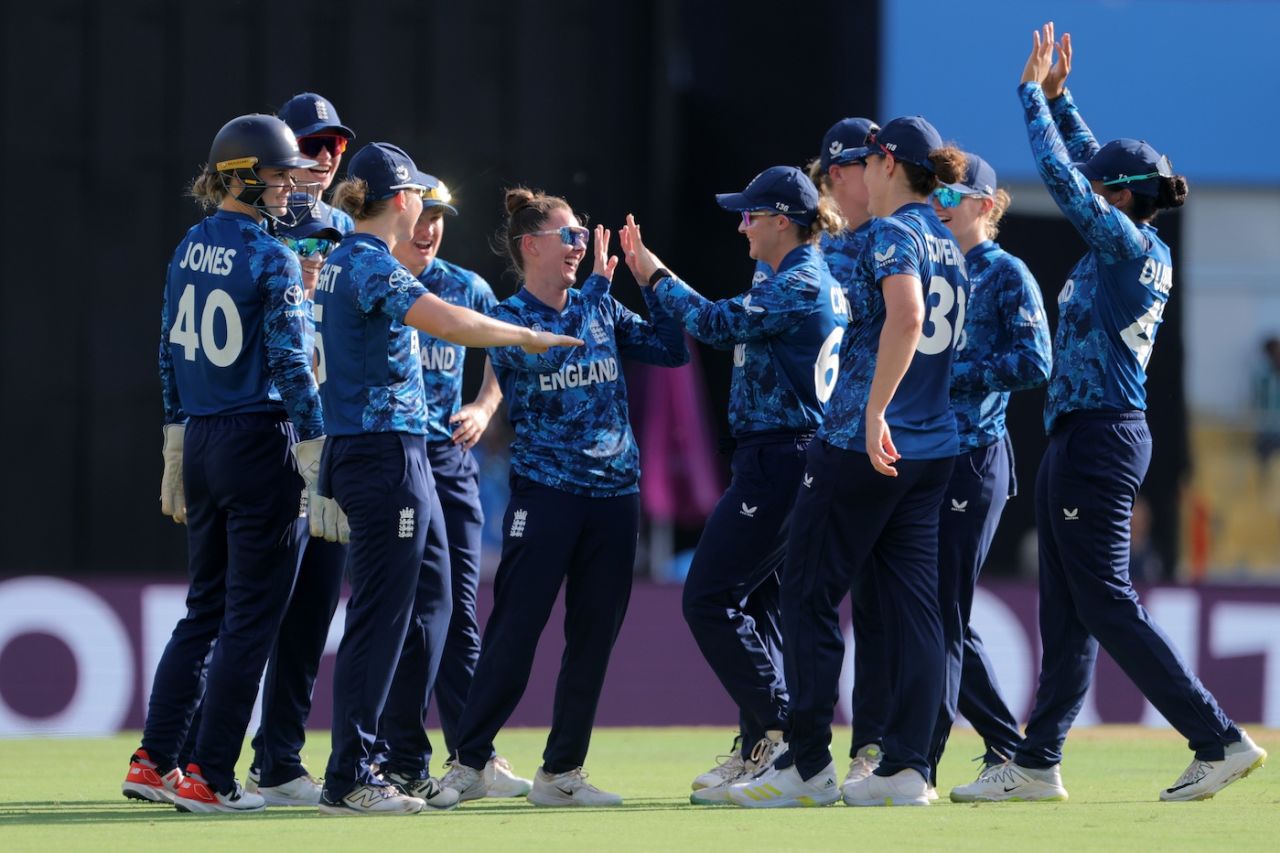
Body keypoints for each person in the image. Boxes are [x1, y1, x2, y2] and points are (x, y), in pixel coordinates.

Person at [954, 23, 1266, 803]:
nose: (1093, 193)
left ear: (1121, 198)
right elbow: (1096, 164)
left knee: (1102, 597)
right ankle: (1038, 761)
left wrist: (1029, 99)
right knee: (1067, 609)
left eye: (1106, 189)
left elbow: (1068, 180)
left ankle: (1217, 737)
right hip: (1085, 432)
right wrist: (1063, 101)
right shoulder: (1133, 235)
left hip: (1101, 434)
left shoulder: (1127, 247)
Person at [314, 145, 583, 816]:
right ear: (402, 200)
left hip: (394, 450)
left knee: (431, 603)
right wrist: (526, 337)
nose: (428, 217)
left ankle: (405, 763)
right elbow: (447, 321)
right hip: (384, 452)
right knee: (384, 613)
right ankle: (351, 774)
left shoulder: (351, 258)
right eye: (420, 201)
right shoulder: (368, 261)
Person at [730, 115, 968, 808]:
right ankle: (908, 767)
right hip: (932, 448)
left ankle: (806, 765)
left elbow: (908, 317)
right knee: (915, 611)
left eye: (867, 159)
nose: (857, 171)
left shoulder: (895, 233)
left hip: (864, 443)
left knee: (807, 593)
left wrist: (874, 412)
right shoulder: (948, 240)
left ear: (888, 163)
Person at [438, 187, 688, 807]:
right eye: (568, 236)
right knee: (516, 629)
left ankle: (562, 771)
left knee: (593, 636)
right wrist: (600, 289)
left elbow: (672, 348)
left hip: (614, 496)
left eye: (582, 235)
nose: (580, 246)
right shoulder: (507, 319)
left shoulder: (599, 304)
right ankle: (469, 762)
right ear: (530, 246)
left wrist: (648, 278)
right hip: (546, 494)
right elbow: (551, 350)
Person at [616, 165, 847, 804]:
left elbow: (716, 325)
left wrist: (653, 276)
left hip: (783, 458)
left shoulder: (800, 280)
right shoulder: (788, 276)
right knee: (759, 605)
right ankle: (760, 745)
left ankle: (786, 734)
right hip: (778, 456)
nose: (741, 226)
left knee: (708, 597)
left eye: (750, 215)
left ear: (782, 222)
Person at [125, 114, 324, 814]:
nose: (289, 185)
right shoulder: (272, 256)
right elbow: (292, 365)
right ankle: (210, 774)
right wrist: (317, 448)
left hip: (203, 438)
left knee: (203, 609)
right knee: (250, 618)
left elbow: (167, 349)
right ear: (241, 177)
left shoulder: (189, 244)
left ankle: (155, 759)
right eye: (277, 174)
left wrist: (174, 436)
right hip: (259, 440)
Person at [381, 176, 532, 797]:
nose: (429, 229)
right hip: (392, 459)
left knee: (458, 611)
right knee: (403, 610)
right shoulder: (371, 279)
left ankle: (474, 757)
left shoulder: (465, 286)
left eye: (439, 217)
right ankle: (393, 756)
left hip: (450, 460)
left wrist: (485, 406)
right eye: (422, 215)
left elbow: (503, 344)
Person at [923, 152, 1052, 795]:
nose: (939, 204)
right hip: (927, 455)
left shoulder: (1005, 273)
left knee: (942, 607)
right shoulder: (928, 266)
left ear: (986, 205)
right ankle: (1004, 747)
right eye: (934, 194)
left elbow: (1035, 362)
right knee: (933, 606)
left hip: (975, 455)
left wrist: (951, 374)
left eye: (952, 195)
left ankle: (934, 759)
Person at [241, 198, 349, 807]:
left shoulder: (336, 306)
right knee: (252, 619)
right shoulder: (266, 300)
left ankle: (278, 761)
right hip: (276, 468)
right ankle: (198, 756)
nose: (314, 258)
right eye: (302, 245)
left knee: (310, 620)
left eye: (323, 247)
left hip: (327, 476)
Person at [278, 92, 356, 235]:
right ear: (283, 148)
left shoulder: (344, 224)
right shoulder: (261, 220)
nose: (325, 155)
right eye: (312, 145)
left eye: (334, 144)